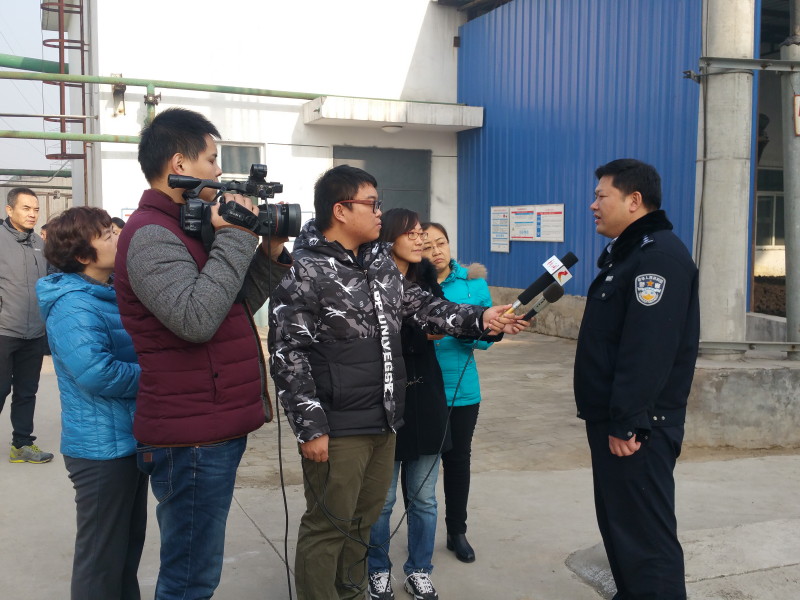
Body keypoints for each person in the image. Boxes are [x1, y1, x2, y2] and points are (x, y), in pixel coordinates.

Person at [268, 164, 523, 600]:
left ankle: (350, 593)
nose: (379, 212)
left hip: (384, 420)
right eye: (371, 203)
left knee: (363, 523)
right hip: (337, 425)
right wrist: (311, 427)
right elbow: (287, 353)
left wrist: (481, 317)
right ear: (341, 210)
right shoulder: (304, 270)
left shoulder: (380, 265)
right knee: (328, 526)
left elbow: (425, 307)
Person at [114, 107, 292, 600]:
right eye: (212, 159)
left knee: (197, 571)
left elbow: (231, 307)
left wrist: (268, 252)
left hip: (209, 426)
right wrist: (235, 238)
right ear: (179, 163)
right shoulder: (151, 235)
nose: (219, 171)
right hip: (190, 437)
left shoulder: (187, 227)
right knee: (190, 578)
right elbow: (196, 320)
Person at [574, 158, 699, 599]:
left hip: (639, 427)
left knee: (646, 542)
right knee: (621, 531)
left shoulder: (656, 257)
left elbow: (649, 348)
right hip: (617, 420)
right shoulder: (629, 254)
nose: (593, 205)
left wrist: (628, 420)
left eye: (601, 196)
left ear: (634, 200)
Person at [37, 206, 146, 600]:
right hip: (100, 451)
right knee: (100, 558)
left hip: (126, 440)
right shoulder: (73, 304)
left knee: (125, 551)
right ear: (83, 255)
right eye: (107, 235)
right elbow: (97, 373)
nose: (119, 237)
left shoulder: (108, 291)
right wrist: (158, 376)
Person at [367, 209, 451, 600]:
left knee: (424, 499)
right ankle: (377, 570)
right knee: (381, 501)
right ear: (388, 238)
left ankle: (419, 569)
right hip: (384, 402)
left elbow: (442, 326)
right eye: (412, 234)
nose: (421, 241)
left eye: (422, 234)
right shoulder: (367, 282)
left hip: (426, 397)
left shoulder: (428, 280)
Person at [420, 222, 493, 564]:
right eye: (427, 245)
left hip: (462, 390)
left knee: (458, 460)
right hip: (422, 388)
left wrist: (468, 332)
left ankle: (457, 531)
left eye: (441, 243)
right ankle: (420, 534)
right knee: (420, 465)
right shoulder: (413, 284)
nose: (436, 251)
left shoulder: (473, 284)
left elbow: (487, 339)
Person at [0, 187, 53, 464]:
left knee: (26, 391)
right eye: (26, 208)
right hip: (4, 331)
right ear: (9, 210)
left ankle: (22, 444)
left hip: (33, 333)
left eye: (36, 209)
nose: (33, 214)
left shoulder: (40, 244)